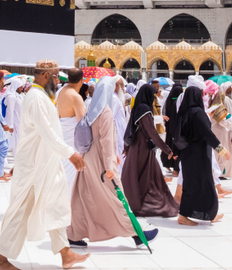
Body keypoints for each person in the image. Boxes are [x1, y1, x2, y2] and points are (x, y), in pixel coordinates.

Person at [0, 60, 89, 270]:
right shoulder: (36, 98)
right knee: (21, 211)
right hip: (34, 166)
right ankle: (0, 258)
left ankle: (66, 253)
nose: (58, 81)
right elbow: (47, 132)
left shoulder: (42, 96)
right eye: (55, 77)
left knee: (55, 205)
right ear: (45, 75)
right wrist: (70, 153)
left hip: (45, 163)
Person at [67, 75, 157, 246]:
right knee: (117, 197)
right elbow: (106, 141)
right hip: (101, 162)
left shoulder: (90, 106)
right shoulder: (105, 111)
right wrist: (110, 165)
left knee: (83, 196)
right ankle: (137, 233)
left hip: (88, 159)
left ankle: (74, 233)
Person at [120, 84, 178, 218]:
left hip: (137, 146)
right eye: (152, 95)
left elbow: (131, 128)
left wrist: (127, 147)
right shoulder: (144, 109)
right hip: (142, 147)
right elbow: (152, 132)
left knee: (146, 176)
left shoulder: (138, 107)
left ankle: (136, 203)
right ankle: (140, 204)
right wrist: (166, 149)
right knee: (145, 177)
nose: (153, 98)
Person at [173, 85, 227, 225]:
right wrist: (221, 149)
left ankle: (188, 215)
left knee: (191, 185)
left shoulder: (183, 112)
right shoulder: (198, 112)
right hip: (199, 155)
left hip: (187, 154)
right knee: (206, 184)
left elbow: (177, 134)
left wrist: (175, 152)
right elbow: (206, 133)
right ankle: (208, 214)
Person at [56, 67, 85, 193]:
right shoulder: (75, 96)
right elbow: (82, 122)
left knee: (63, 171)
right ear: (81, 80)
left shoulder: (61, 91)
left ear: (68, 79)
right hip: (71, 141)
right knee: (70, 174)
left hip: (62, 135)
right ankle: (67, 205)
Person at [162, 85, 182, 175]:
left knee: (169, 144)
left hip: (170, 127)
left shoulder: (169, 101)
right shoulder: (177, 103)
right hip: (176, 128)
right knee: (175, 147)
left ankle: (168, 163)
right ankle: (176, 169)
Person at [3, 76, 25, 155]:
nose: (22, 89)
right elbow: (10, 111)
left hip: (19, 122)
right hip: (14, 123)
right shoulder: (11, 96)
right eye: (20, 87)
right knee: (16, 144)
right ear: (16, 87)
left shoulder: (18, 96)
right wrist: (11, 125)